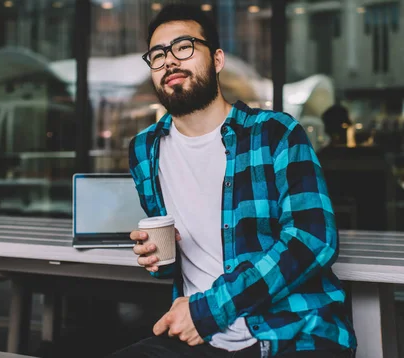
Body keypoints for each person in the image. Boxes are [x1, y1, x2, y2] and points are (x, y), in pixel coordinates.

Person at [107, 5, 356, 358]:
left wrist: (208, 311)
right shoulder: (145, 149)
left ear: (218, 59)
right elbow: (183, 256)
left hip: (291, 332)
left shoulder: (275, 133)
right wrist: (159, 255)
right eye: (158, 54)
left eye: (184, 47)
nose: (169, 62)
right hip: (201, 336)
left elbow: (313, 239)